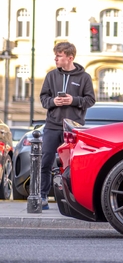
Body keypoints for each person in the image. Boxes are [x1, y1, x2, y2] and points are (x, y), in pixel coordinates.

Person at [39, 42, 95, 209]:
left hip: (73, 127)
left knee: (73, 165)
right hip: (52, 125)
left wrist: (74, 100)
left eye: (59, 56)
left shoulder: (84, 77)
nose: (55, 58)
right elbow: (43, 99)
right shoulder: (51, 76)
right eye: (56, 55)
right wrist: (53, 101)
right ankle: (42, 197)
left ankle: (74, 201)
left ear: (69, 58)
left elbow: (90, 100)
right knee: (46, 161)